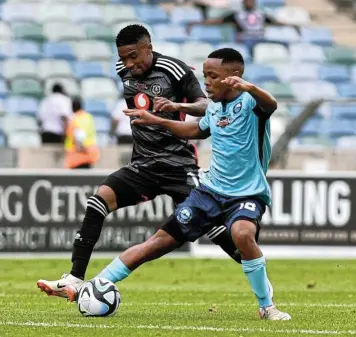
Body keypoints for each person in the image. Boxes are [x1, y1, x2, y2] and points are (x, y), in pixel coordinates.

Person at [62, 48, 290, 321]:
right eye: (205, 75)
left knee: (242, 235)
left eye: (213, 76)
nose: (206, 82)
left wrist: (249, 87)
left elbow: (272, 104)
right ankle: (96, 284)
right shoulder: (216, 108)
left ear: (234, 77)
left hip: (247, 193)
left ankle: (267, 306)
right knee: (158, 242)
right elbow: (196, 130)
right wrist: (160, 118)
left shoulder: (253, 103)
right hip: (210, 191)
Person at [37, 25, 242, 298]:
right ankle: (74, 279)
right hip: (143, 165)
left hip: (178, 166)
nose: (129, 64)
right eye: (123, 58)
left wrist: (176, 107)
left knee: (212, 227)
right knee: (98, 201)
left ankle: (255, 268)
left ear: (149, 47)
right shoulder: (125, 73)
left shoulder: (175, 70)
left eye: (134, 56)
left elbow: (207, 106)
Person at [187, 0, 295, 42]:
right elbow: (219, 21)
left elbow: (275, 22)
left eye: (252, 1)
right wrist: (198, 23)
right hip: (245, 40)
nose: (250, 3)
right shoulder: (237, 14)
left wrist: (292, 25)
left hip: (260, 39)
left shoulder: (261, 14)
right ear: (243, 3)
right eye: (248, 1)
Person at [64, 97, 100, 169]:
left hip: (76, 155)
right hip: (90, 154)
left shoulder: (72, 118)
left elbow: (79, 137)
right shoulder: (89, 117)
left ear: (72, 107)